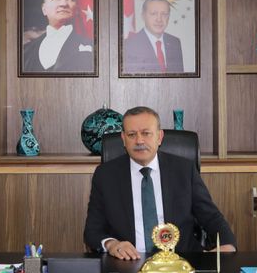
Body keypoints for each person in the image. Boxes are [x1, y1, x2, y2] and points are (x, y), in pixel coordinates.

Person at [84, 106, 236, 259]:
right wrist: (112, 244)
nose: (139, 140)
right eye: (131, 134)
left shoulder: (184, 170)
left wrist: (227, 245)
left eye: (146, 133)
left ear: (159, 137)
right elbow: (92, 231)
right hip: (129, 261)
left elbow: (211, 217)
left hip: (181, 261)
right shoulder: (105, 175)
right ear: (123, 139)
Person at [21, 0, 94, 73]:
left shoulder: (91, 46)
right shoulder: (26, 50)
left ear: (76, 9)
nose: (64, 4)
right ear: (44, 9)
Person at [123, 0, 185, 74]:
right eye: (153, 14)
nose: (159, 19)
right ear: (143, 16)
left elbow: (179, 77)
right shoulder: (128, 45)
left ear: (168, 17)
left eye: (164, 14)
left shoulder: (175, 42)